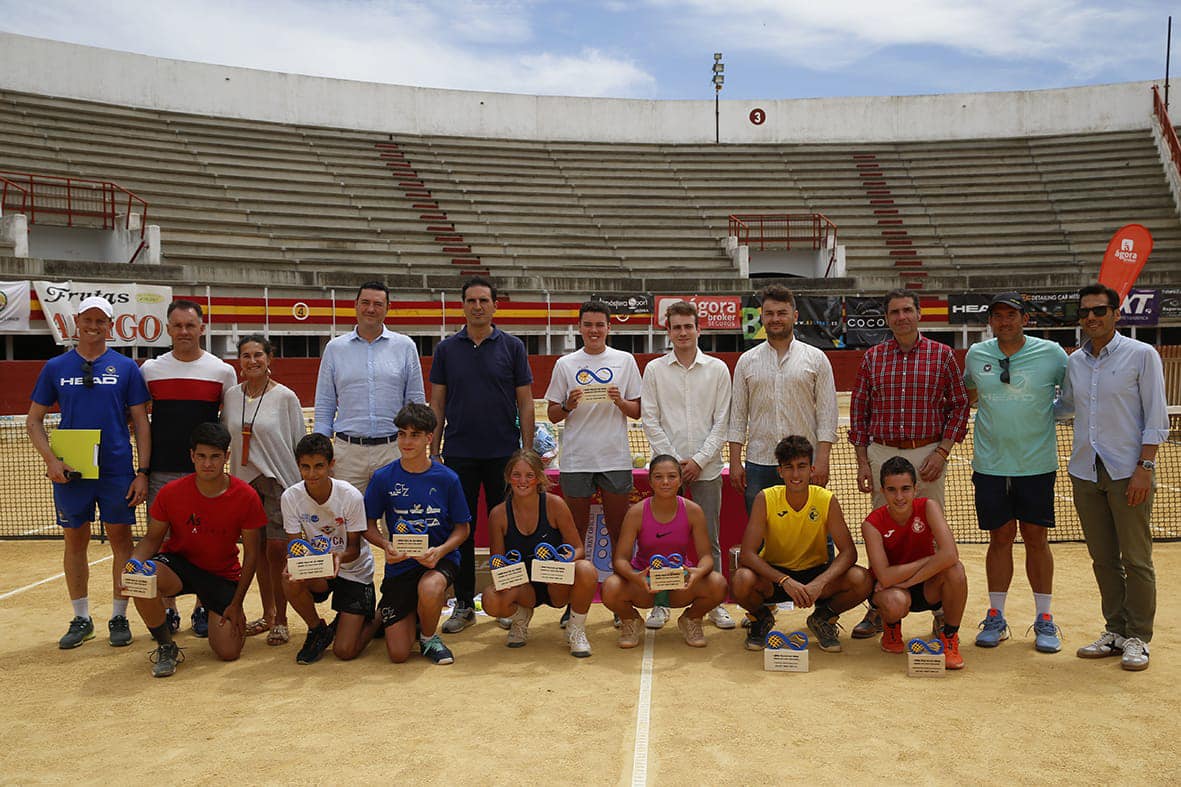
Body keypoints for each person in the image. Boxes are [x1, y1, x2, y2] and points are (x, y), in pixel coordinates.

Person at [27, 296, 151, 649]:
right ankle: (81, 617)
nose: (93, 327)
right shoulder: (55, 367)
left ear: (111, 326)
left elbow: (141, 422)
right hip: (71, 471)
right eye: (88, 320)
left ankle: (118, 616)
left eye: (101, 321)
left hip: (116, 470)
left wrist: (141, 471)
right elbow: (33, 421)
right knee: (74, 542)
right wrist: (51, 460)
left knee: (121, 542)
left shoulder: (127, 369)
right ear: (77, 321)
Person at [1058, 283, 1169, 671]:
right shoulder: (1075, 362)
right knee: (1102, 558)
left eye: (1099, 311)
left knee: (1136, 558)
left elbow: (1156, 417)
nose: (1091, 317)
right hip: (1086, 472)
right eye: (1085, 312)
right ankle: (1115, 630)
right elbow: (1064, 408)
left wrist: (1145, 468)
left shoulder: (1142, 355)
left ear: (1115, 314)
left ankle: (1139, 635)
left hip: (1128, 471)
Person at [848, 288, 969, 639]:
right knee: (883, 533)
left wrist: (943, 451)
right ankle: (880, 606)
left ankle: (941, 608)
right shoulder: (873, 357)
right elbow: (860, 410)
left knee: (932, 533)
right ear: (887, 319)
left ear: (919, 314)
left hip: (927, 453)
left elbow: (960, 406)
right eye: (894, 312)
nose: (901, 317)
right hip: (882, 453)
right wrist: (862, 461)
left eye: (906, 310)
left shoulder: (942, 355)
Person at [963, 293, 1068, 652]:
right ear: (989, 322)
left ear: (1025, 318)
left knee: (1036, 537)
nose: (1005, 321)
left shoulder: (1052, 354)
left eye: (1012, 315)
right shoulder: (976, 355)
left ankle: (1045, 618)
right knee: (1000, 538)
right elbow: (970, 392)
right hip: (990, 464)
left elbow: (1070, 397)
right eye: (997, 316)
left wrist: (1043, 416)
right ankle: (996, 615)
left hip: (1036, 464)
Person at [430, 276, 534, 634]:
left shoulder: (513, 347)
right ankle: (462, 604)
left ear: (494, 306)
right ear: (463, 306)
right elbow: (438, 402)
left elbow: (525, 400)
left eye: (483, 300)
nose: (477, 306)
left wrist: (527, 449)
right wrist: (434, 449)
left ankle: (508, 599)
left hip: (504, 455)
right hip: (458, 454)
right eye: (471, 301)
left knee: (506, 530)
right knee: (464, 528)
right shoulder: (446, 350)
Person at [122, 422, 266, 677]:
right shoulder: (171, 493)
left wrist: (237, 603)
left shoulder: (246, 496)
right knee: (141, 579)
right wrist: (132, 566)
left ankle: (215, 612)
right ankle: (166, 645)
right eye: (201, 456)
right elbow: (151, 540)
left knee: (228, 652)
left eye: (214, 457)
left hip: (221, 575)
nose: (207, 463)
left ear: (226, 457)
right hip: (179, 566)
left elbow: (252, 555)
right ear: (191, 456)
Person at [141, 298, 238, 637]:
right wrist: (142, 470)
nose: (184, 331)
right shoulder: (150, 371)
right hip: (162, 473)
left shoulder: (222, 371)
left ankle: (201, 607)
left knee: (205, 543)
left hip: (207, 475)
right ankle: (169, 612)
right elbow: (140, 423)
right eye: (178, 325)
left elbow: (227, 424)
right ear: (168, 329)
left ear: (202, 328)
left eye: (190, 325)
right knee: (165, 542)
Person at [544, 299, 641, 623]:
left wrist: (620, 402)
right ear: (580, 327)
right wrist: (569, 405)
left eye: (600, 325)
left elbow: (638, 410)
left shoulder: (625, 361)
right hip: (577, 459)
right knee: (575, 535)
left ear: (609, 327)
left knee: (618, 531)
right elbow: (553, 414)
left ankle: (619, 601)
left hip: (614, 457)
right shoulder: (566, 364)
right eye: (588, 325)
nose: (594, 330)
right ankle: (576, 602)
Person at [730, 436, 872, 653]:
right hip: (775, 577)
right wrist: (785, 580)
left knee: (862, 579)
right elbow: (748, 554)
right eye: (789, 468)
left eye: (802, 467)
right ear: (780, 472)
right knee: (741, 579)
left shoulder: (826, 499)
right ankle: (761, 618)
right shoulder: (765, 498)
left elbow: (849, 553)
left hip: (815, 573)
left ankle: (823, 618)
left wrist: (820, 583)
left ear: (811, 469)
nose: (795, 474)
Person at [642, 300, 734, 631]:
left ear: (699, 329)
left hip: (707, 470)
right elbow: (649, 419)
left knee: (709, 539)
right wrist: (673, 467)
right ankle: (661, 603)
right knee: (663, 542)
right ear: (668, 331)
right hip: (667, 475)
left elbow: (722, 421)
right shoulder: (653, 370)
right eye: (676, 327)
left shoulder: (718, 369)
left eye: (688, 326)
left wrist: (698, 460)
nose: (683, 332)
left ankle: (715, 603)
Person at [363, 403, 470, 665]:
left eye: (415, 435)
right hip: (401, 564)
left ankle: (429, 637)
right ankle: (402, 614)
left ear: (429, 438)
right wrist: (385, 545)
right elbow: (367, 525)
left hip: (438, 560)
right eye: (402, 434)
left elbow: (462, 529)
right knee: (398, 654)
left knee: (430, 587)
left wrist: (440, 551)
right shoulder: (383, 477)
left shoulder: (447, 478)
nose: (407, 441)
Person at [221, 334, 305, 647]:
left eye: (259, 355)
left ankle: (282, 620)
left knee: (277, 551)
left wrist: (301, 488)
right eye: (246, 356)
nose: (253, 361)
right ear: (239, 362)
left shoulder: (286, 397)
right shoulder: (231, 396)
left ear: (269, 358)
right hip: (243, 484)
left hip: (279, 482)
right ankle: (268, 614)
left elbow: (299, 442)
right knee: (254, 554)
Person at [728, 285, 838, 516]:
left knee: (815, 533)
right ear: (761, 317)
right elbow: (737, 415)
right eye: (769, 314)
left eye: (781, 313)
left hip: (805, 463)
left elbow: (827, 415)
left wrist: (822, 460)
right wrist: (735, 462)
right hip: (759, 462)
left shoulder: (817, 358)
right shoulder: (746, 361)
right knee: (761, 536)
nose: (775, 319)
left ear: (795, 316)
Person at [480, 449, 598, 657]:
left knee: (586, 570)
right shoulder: (498, 514)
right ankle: (520, 617)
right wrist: (504, 578)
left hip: (556, 583)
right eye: (516, 475)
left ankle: (576, 629)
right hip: (524, 586)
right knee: (490, 598)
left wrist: (561, 564)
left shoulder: (555, 505)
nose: (522, 481)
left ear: (539, 478)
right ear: (508, 477)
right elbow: (497, 561)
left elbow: (578, 548)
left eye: (529, 475)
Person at [602, 455, 728, 649]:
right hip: (645, 585)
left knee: (718, 584)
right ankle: (631, 620)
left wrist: (696, 573)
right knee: (610, 588)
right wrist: (637, 578)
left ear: (680, 480)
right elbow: (620, 559)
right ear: (650, 481)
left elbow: (706, 557)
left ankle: (691, 619)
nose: (666, 482)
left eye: (671, 476)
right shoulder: (636, 512)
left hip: (681, 583)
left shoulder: (693, 511)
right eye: (659, 477)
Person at [314, 281, 425, 494]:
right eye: (365, 302)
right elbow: (325, 402)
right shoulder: (334, 349)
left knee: (396, 518)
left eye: (378, 304)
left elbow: (415, 402)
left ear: (387, 308)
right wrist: (322, 451)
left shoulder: (405, 347)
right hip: (347, 453)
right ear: (355, 305)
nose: (371, 309)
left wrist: (415, 447)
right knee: (349, 521)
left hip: (393, 449)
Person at [860, 456, 968, 670]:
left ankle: (949, 638)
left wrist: (907, 581)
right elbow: (884, 577)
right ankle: (891, 628)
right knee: (894, 602)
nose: (899, 496)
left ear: (916, 489)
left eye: (905, 489)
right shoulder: (871, 524)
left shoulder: (929, 507)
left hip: (924, 586)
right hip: (892, 590)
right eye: (892, 490)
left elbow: (951, 556)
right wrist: (932, 560)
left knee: (956, 571)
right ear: (882, 491)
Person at [280, 434, 376, 665]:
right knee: (289, 579)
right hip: (318, 569)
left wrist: (338, 558)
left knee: (345, 651)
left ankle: (378, 617)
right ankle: (317, 629)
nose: (312, 474)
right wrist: (294, 565)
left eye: (319, 466)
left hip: (353, 569)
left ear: (331, 465)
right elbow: (295, 546)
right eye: (305, 467)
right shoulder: (290, 497)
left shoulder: (350, 496)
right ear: (298, 466)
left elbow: (354, 548)